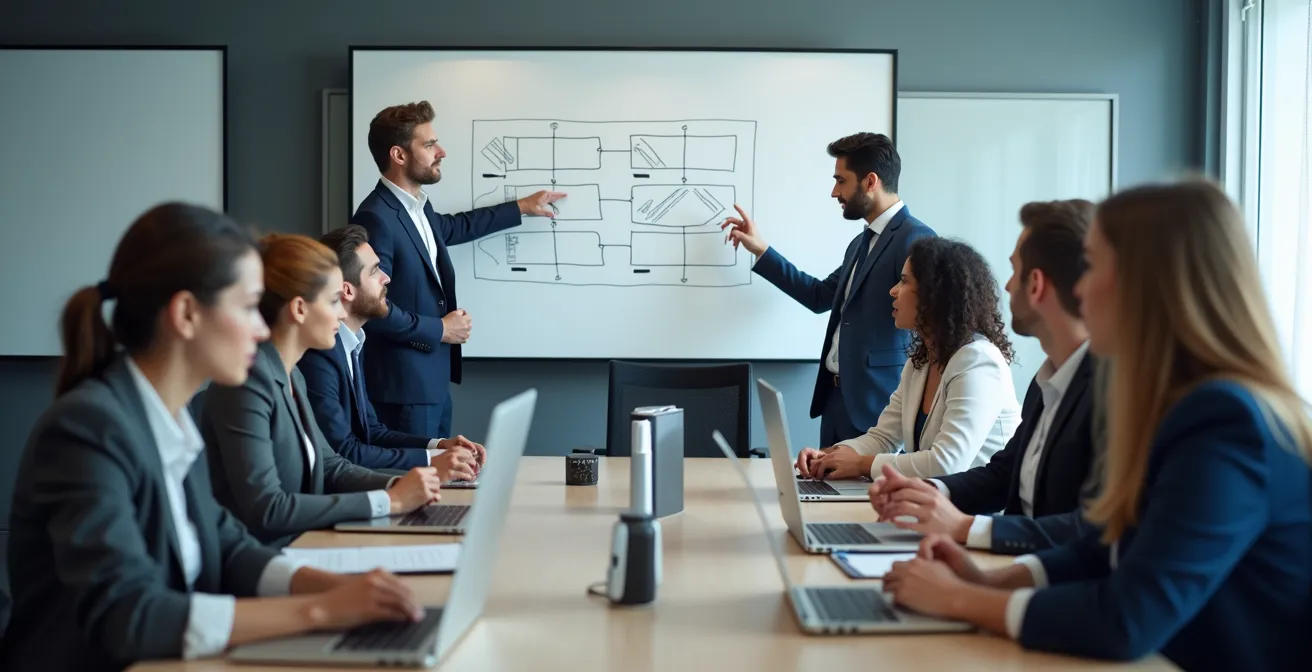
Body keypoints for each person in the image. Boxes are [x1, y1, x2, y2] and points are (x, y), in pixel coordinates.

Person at [883, 180, 1312, 671]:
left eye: (1094, 266)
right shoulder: (1179, 403)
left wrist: (960, 600)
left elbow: (1127, 618)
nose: (1081, 288)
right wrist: (987, 581)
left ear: (1147, 284)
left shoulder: (1225, 421)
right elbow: (1107, 544)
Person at [0, 203, 424, 671]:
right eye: (247, 307)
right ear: (186, 314)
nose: (262, 328)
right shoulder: (88, 429)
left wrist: (333, 586)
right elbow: (128, 615)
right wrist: (319, 611)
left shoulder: (169, 419)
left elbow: (227, 544)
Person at [869, 199, 1102, 554]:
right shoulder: (1047, 381)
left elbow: (1092, 532)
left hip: (1037, 571)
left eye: (1014, 270)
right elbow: (1003, 475)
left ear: (1036, 284)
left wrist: (964, 529)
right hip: (1011, 562)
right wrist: (927, 492)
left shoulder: (1108, 391)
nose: (1006, 286)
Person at [199, 233, 444, 549]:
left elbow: (331, 466)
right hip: (269, 556)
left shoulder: (292, 375)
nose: (342, 313)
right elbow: (268, 509)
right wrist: (390, 500)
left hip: (303, 544)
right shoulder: (248, 382)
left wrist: (402, 485)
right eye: (333, 301)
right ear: (299, 309)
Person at [353, 100, 565, 438]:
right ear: (399, 155)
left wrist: (522, 207)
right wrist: (439, 329)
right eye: (429, 145)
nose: (441, 152)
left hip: (432, 383)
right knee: (418, 471)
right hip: (404, 390)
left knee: (441, 468)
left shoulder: (416, 207)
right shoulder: (376, 217)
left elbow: (455, 227)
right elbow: (371, 307)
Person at [722, 132, 936, 447]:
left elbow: (929, 324)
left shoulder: (915, 238)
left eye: (841, 181)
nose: (835, 192)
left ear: (870, 181)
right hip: (835, 401)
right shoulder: (860, 243)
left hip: (877, 406)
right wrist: (761, 250)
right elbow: (819, 296)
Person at [794, 237, 1021, 480]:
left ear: (935, 294)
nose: (892, 290)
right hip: (933, 497)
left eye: (904, 281)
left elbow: (947, 463)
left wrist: (860, 464)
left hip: (979, 503)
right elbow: (883, 437)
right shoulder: (920, 362)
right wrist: (830, 456)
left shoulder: (978, 361)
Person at [300, 224, 484, 475]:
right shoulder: (319, 355)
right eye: (374, 270)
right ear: (347, 290)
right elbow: (345, 451)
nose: (386, 278)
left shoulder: (352, 343)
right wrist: (431, 462)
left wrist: (439, 447)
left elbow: (373, 432)